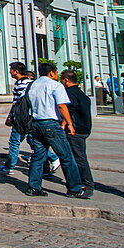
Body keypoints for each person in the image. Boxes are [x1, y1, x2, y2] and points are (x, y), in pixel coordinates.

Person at [24, 63, 85, 198]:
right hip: (51, 123)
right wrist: (69, 123)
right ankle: (74, 188)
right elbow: (62, 106)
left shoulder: (32, 85)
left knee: (38, 156)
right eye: (56, 73)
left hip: (35, 123)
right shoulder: (55, 85)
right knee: (66, 156)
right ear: (51, 73)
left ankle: (33, 187)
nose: (57, 76)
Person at [60, 70, 93, 199]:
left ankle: (87, 184)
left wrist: (65, 124)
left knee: (79, 157)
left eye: (62, 79)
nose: (61, 82)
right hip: (84, 128)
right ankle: (81, 181)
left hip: (76, 130)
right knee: (78, 156)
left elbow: (70, 110)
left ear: (66, 80)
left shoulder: (70, 93)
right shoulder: (80, 93)